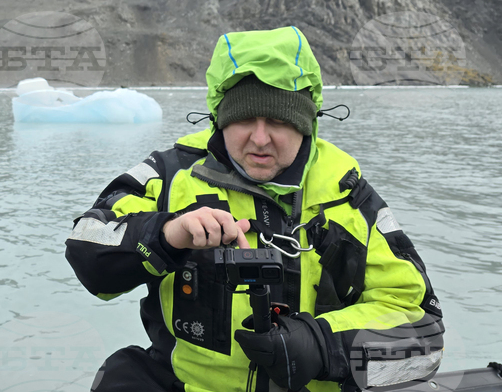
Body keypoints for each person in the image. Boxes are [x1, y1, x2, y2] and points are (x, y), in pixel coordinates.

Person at [66, 27, 445, 392]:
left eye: (279, 121)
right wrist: (167, 234)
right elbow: (87, 250)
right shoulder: (167, 175)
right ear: (220, 118)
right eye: (245, 119)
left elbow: (422, 327)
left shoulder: (348, 196)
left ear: (307, 124)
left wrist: (322, 344)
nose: (260, 139)